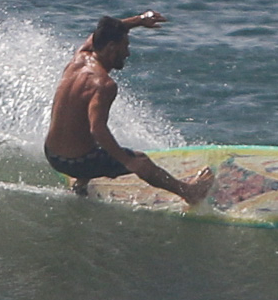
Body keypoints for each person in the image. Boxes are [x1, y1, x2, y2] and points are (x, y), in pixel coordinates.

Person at [45, 11, 214, 204]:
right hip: (76, 162)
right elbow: (97, 129)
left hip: (51, 153)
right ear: (111, 47)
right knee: (140, 160)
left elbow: (100, 33)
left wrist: (139, 21)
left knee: (89, 141)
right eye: (125, 46)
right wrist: (128, 162)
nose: (127, 53)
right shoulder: (103, 84)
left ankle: (80, 185)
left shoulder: (79, 58)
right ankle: (189, 192)